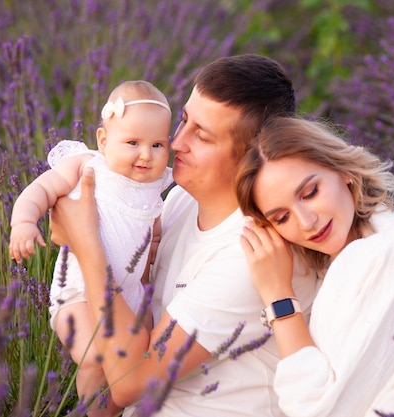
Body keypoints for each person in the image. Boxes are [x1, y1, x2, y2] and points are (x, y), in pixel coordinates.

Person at [48, 54, 319, 416]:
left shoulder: (248, 251)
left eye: (202, 136)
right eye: (185, 120)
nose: (176, 143)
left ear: (252, 157)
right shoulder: (179, 200)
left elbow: (129, 381)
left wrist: (85, 245)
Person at [236, 117, 394, 417]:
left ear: (342, 170)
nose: (307, 222)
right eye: (282, 218)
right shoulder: (329, 276)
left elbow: (320, 410)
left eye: (310, 193)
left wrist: (278, 298)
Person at [9, 80, 173, 416]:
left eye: (158, 144)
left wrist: (153, 249)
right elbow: (40, 190)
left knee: (128, 368)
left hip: (126, 295)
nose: (146, 154)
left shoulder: (158, 183)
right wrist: (23, 223)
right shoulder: (87, 165)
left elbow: (151, 223)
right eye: (133, 142)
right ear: (103, 139)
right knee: (96, 358)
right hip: (77, 294)